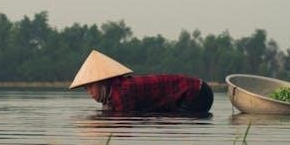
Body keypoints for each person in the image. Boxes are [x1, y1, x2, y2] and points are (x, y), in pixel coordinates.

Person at [69, 50, 214, 114]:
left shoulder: (120, 94)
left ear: (103, 83)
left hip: (197, 94)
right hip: (199, 89)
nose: (89, 93)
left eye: (90, 87)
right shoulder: (113, 91)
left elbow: (120, 117)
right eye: (86, 89)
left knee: (175, 118)